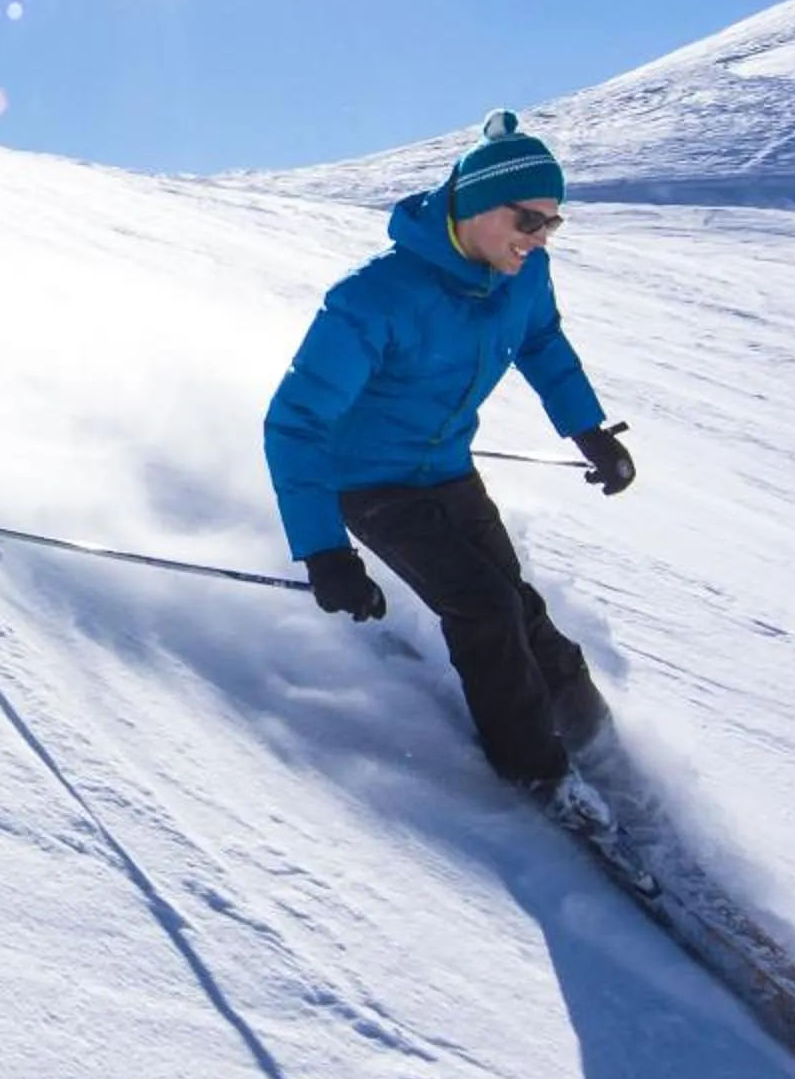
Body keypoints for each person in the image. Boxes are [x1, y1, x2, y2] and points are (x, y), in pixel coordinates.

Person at [263, 110, 637, 815]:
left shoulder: (523, 274)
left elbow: (542, 343)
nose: (541, 238)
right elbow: (295, 423)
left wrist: (589, 432)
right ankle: (536, 773)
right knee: (486, 610)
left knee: (523, 610)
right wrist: (325, 553)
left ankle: (601, 750)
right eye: (530, 220)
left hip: (449, 469)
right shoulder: (373, 296)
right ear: (476, 206)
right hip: (369, 483)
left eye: (553, 224)